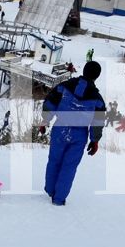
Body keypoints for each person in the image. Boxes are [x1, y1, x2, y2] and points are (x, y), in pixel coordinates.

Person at [40, 60, 105, 206]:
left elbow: (50, 102)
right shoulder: (97, 99)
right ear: (97, 76)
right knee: (69, 166)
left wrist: (45, 121)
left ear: (84, 70)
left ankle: (50, 190)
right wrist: (94, 140)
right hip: (79, 135)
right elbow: (98, 122)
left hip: (60, 128)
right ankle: (59, 199)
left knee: (54, 160)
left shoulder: (64, 86)